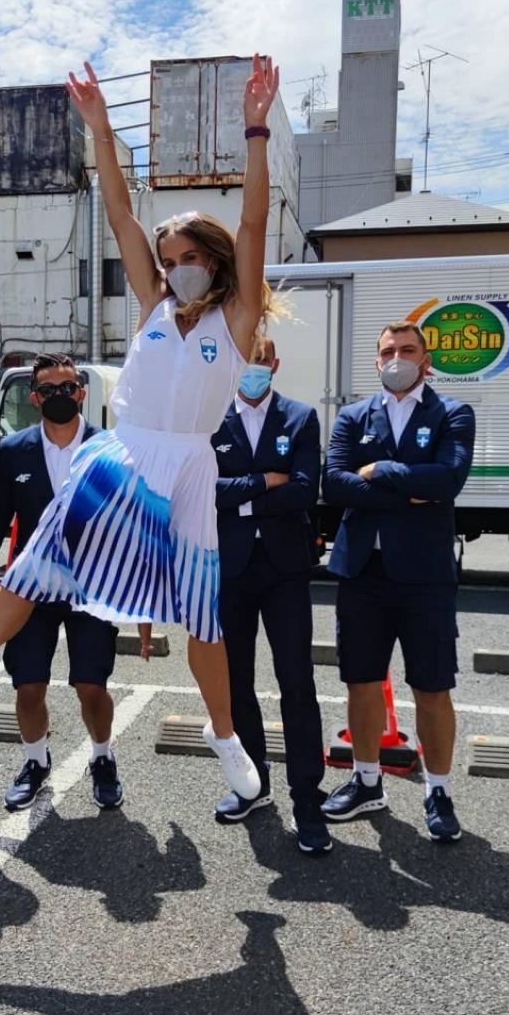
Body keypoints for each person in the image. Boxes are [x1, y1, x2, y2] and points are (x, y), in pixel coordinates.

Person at [0, 54, 286, 802]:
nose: (175, 267)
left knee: (204, 619)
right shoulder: (152, 309)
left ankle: (225, 741)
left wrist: (255, 127)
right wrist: (101, 130)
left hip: (187, 468)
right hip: (122, 457)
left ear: (213, 263)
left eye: (189, 258)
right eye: (167, 258)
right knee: (31, 572)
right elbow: (120, 213)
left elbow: (253, 217)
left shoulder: (238, 318)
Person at [320, 320, 475, 842]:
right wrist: (410, 486)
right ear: (376, 360)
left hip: (425, 576)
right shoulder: (353, 416)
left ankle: (438, 789)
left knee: (432, 687)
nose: (397, 358)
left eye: (408, 350)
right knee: (360, 682)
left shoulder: (452, 413)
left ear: (426, 359)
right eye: (388, 351)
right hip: (362, 572)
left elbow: (448, 479)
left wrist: (378, 471)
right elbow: (335, 484)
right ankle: (366, 782)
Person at [0, 352, 124, 812]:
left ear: (82, 392)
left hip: (90, 589)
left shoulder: (107, 449)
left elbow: (125, 526)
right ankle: (35, 762)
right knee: (28, 684)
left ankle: (102, 757)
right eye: (50, 389)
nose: (60, 395)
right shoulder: (16, 451)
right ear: (34, 398)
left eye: (68, 387)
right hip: (30, 591)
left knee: (91, 685)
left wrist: (139, 602)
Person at [210, 336, 330, 854]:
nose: (251, 371)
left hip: (285, 568)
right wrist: (264, 483)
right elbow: (204, 490)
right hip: (230, 568)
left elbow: (305, 490)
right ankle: (252, 784)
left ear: (274, 365)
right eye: (244, 362)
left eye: (260, 362)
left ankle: (308, 799)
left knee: (296, 682)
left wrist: (240, 495)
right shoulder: (210, 418)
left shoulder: (300, 418)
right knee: (236, 684)